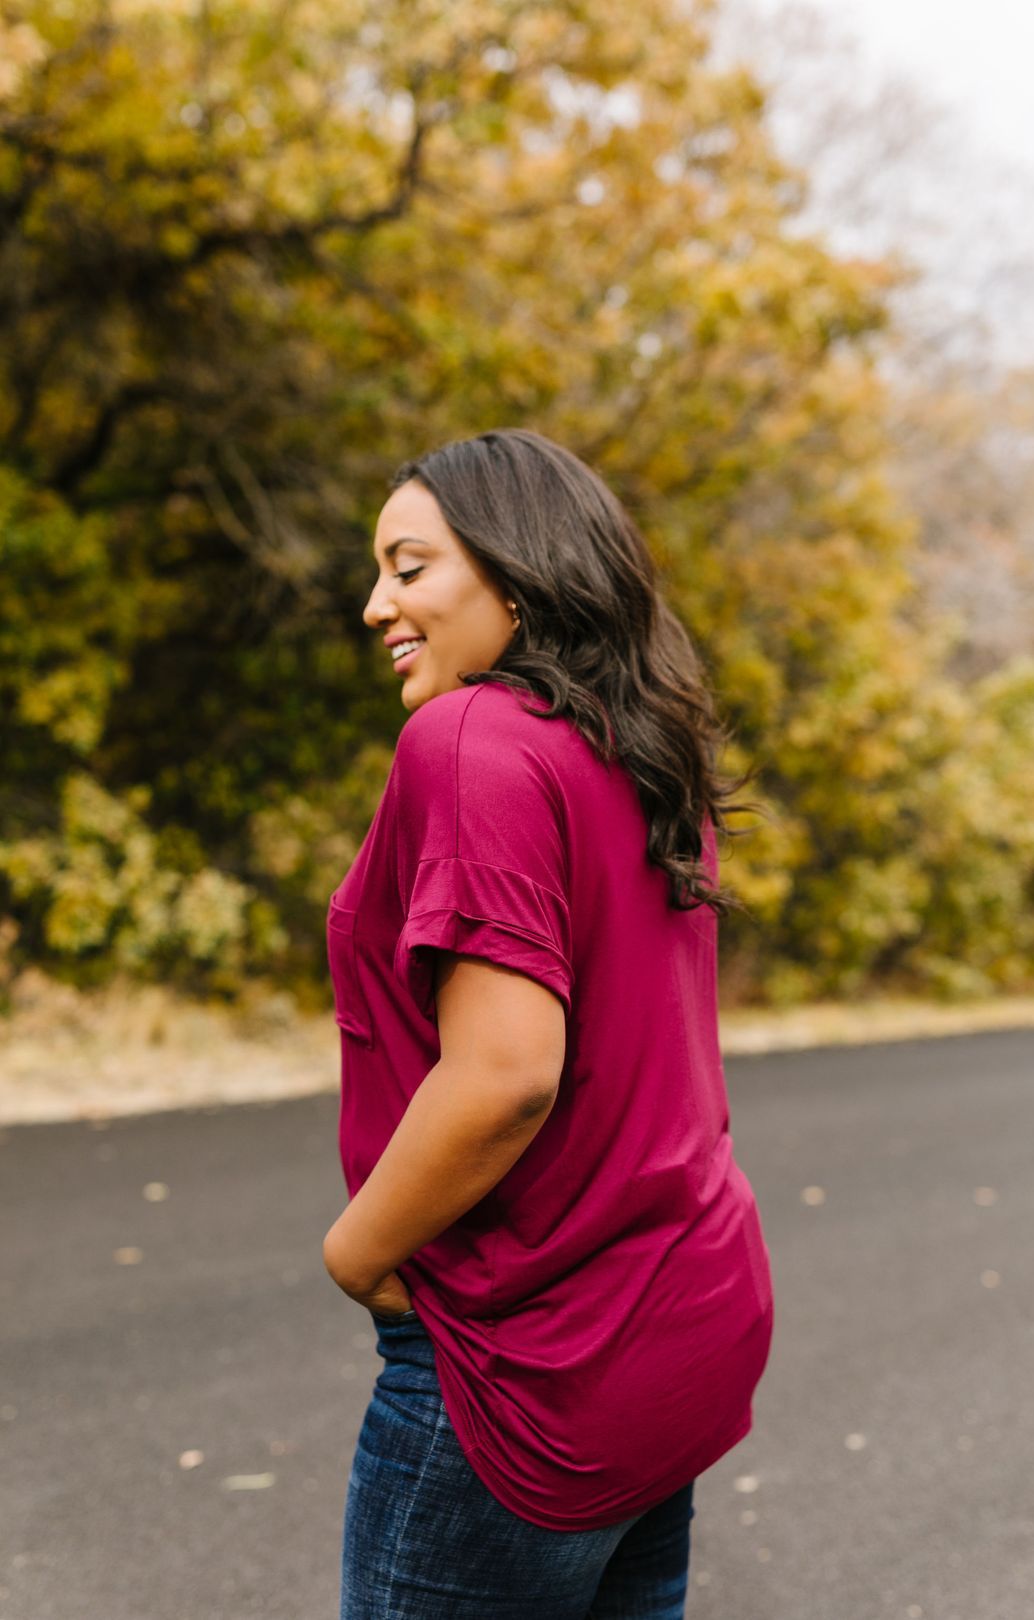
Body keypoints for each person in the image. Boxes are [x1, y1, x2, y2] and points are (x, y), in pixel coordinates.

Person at [322, 428, 775, 1619]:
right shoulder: (639, 750)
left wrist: (355, 1252)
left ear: (518, 572)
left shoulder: (467, 739)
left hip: (530, 1355)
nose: (376, 604)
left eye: (409, 567)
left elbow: (507, 1074)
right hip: (681, 1316)